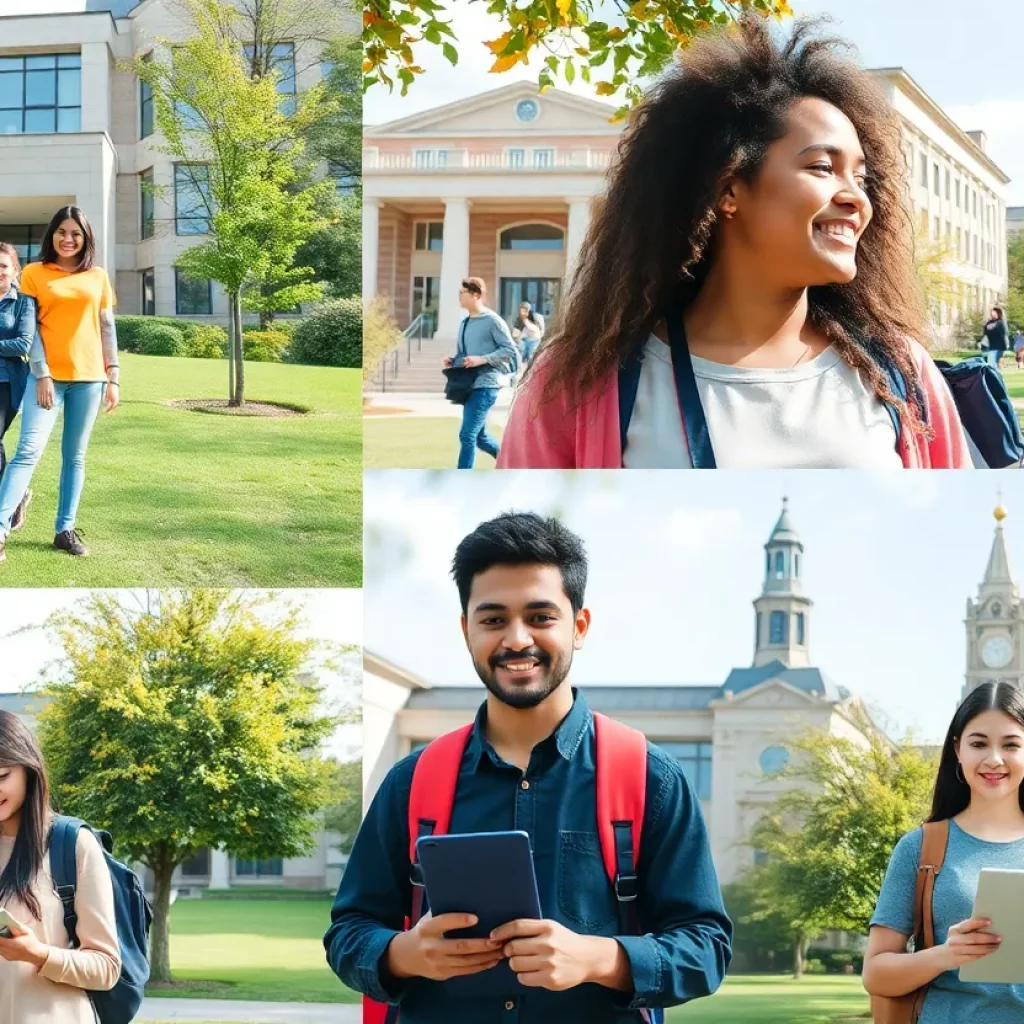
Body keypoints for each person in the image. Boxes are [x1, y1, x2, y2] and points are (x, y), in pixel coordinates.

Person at [497, 14, 969, 469]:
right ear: (728, 190)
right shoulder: (577, 384)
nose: (856, 199)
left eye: (862, 178)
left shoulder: (902, 372)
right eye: (823, 167)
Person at [325, 512, 733, 1022]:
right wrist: (403, 954)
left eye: (540, 617)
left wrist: (603, 958)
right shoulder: (412, 783)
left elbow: (707, 947)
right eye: (493, 619)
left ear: (579, 626)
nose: (517, 639)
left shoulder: (651, 779)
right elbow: (348, 931)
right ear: (466, 629)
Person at [863, 681, 1024, 1021]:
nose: (994, 759)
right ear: (957, 750)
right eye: (979, 743)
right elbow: (875, 974)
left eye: (1011, 745)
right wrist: (946, 955)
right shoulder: (920, 847)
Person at [0, 207, 120, 562]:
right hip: (47, 379)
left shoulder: (97, 276)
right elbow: (31, 328)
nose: (68, 239)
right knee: (27, 453)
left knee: (75, 458)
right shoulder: (35, 274)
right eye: (62, 232)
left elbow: (107, 327)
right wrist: (43, 373)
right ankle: (1, 528)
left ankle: (64, 530)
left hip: (90, 379)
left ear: (86, 239)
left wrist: (113, 376)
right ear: (51, 235)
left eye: (76, 234)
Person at [0, 709, 121, 1022]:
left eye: (2, 776)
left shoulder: (72, 845)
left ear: (29, 769)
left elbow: (106, 968)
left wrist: (38, 954)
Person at [443, 278, 519, 470]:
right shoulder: (464, 323)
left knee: (466, 435)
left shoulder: (493, 321)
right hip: (469, 385)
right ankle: (512, 466)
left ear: (476, 294)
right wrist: (453, 361)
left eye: (463, 293)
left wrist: (482, 359)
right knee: (480, 437)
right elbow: (465, 355)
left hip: (487, 384)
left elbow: (510, 350)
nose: (459, 296)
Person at [0, 243, 35, 533]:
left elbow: (24, 343)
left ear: (15, 270)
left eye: (4, 266)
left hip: (7, 382)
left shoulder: (23, 302)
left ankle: (9, 502)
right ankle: (16, 494)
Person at [512, 302, 545, 366]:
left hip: (534, 340)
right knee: (521, 355)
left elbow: (536, 329)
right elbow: (515, 334)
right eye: (522, 310)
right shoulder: (519, 319)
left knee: (531, 357)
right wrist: (517, 339)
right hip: (524, 340)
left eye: (525, 310)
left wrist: (525, 320)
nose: (523, 313)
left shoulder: (535, 317)